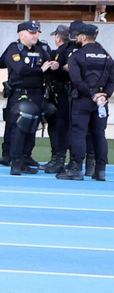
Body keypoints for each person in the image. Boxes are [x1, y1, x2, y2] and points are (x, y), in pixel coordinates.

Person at [59, 21, 113, 181]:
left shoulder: (77, 56)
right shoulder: (107, 56)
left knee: (79, 133)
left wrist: (91, 94)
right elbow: (112, 80)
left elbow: (76, 80)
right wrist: (104, 95)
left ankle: (76, 168)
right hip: (101, 101)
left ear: (83, 37)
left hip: (83, 99)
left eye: (78, 36)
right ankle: (100, 170)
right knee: (99, 134)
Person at [0, 20, 52, 175]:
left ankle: (25, 158)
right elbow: (20, 69)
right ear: (22, 35)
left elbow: (49, 64)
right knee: (19, 128)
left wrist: (52, 66)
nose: (36, 35)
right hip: (20, 93)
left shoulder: (41, 49)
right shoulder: (14, 49)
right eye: (32, 33)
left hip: (37, 93)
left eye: (37, 32)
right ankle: (15, 161)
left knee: (32, 128)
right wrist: (39, 70)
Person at [44, 23, 77, 174]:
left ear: (58, 38)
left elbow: (55, 72)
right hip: (79, 94)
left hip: (63, 94)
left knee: (61, 127)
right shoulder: (80, 50)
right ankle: (76, 161)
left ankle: (59, 159)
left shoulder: (61, 51)